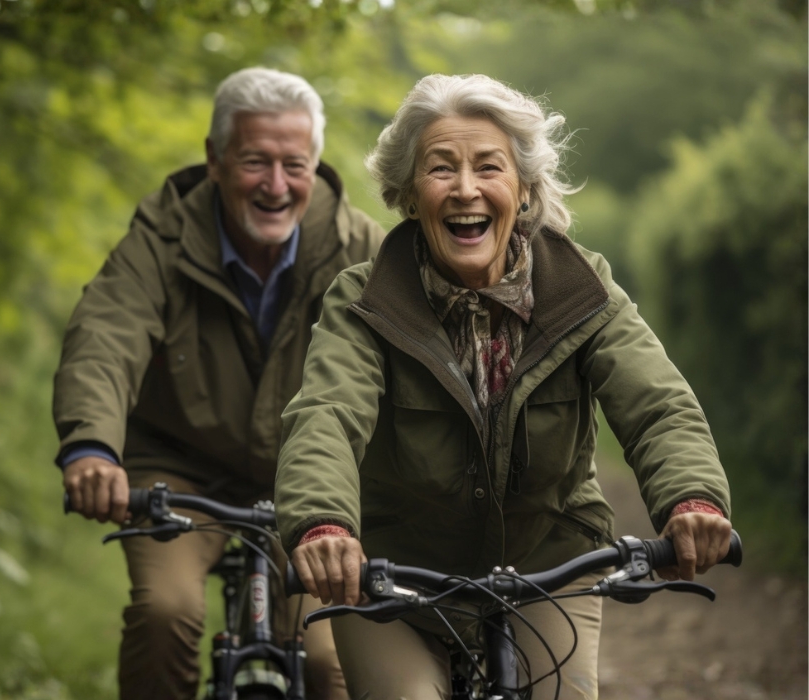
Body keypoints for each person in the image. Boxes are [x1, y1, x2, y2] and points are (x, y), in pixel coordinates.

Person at [274, 73, 733, 700]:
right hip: (395, 578)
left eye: (489, 167)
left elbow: (656, 404)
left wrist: (692, 499)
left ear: (524, 189)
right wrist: (323, 525)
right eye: (441, 169)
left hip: (549, 559)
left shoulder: (582, 289)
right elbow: (327, 414)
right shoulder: (364, 300)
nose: (466, 189)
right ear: (410, 194)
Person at [54, 66, 385, 700]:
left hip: (315, 479)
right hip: (179, 471)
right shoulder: (161, 238)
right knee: (165, 613)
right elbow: (106, 335)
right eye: (255, 162)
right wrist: (91, 448)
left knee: (331, 658)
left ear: (316, 165)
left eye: (295, 165)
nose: (277, 185)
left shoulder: (361, 251)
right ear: (214, 160)